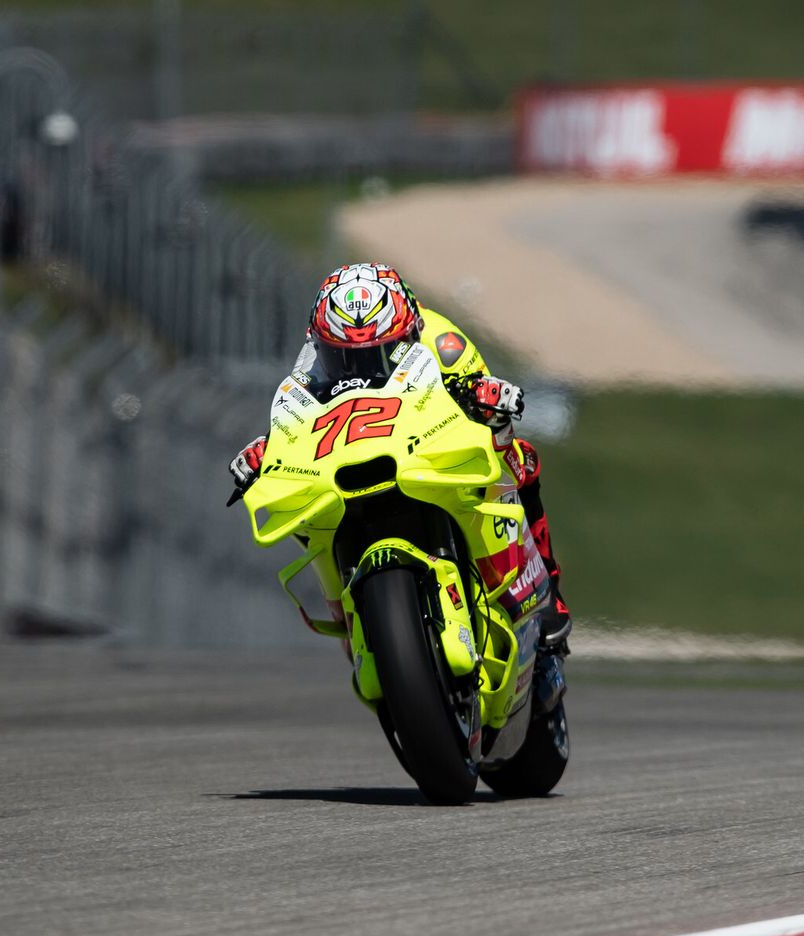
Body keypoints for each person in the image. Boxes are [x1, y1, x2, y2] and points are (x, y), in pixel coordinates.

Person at [229, 262, 571, 653]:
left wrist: (488, 399)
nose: (360, 368)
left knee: (518, 458)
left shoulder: (445, 342)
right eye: (344, 358)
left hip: (425, 451)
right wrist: (265, 451)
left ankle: (544, 592)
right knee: (304, 512)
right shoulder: (308, 367)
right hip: (352, 466)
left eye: (378, 355)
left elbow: (490, 409)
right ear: (318, 343)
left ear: (410, 333)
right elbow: (295, 420)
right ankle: (353, 614)